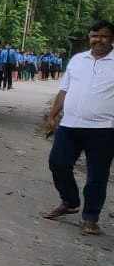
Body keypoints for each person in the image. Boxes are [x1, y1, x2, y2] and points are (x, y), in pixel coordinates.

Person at [43, 20, 114, 236]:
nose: (98, 40)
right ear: (89, 37)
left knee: (97, 176)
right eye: (94, 35)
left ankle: (90, 218)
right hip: (69, 125)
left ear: (112, 38)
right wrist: (52, 116)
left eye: (104, 36)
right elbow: (64, 91)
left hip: (103, 129)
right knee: (57, 163)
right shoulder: (77, 60)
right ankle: (70, 201)